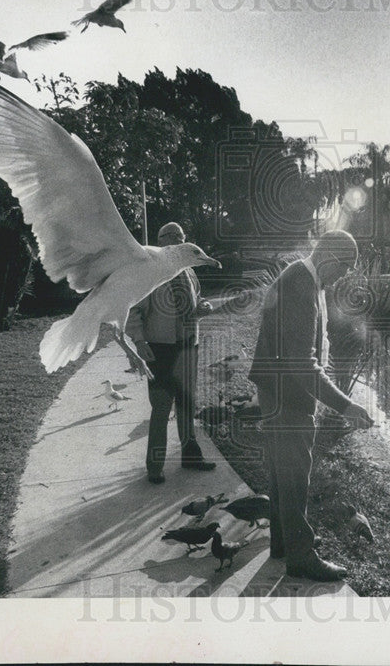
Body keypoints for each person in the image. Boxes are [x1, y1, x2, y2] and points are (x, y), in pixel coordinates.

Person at [248, 230, 374, 581]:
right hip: (288, 394)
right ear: (329, 258)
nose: (346, 274)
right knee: (295, 476)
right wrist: (345, 405)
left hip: (278, 390)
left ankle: (282, 542)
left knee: (280, 472)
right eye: (346, 267)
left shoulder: (303, 278)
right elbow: (303, 362)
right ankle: (300, 556)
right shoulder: (301, 284)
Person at [126, 222, 217, 484]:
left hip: (188, 346)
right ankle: (154, 467)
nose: (180, 242)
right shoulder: (149, 271)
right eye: (174, 238)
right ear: (162, 240)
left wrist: (204, 307)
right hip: (160, 349)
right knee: (161, 407)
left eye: (182, 238)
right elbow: (134, 310)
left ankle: (191, 457)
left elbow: (197, 299)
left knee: (187, 404)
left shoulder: (188, 271)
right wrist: (139, 341)